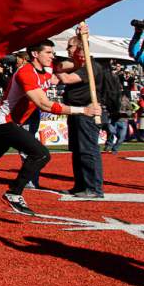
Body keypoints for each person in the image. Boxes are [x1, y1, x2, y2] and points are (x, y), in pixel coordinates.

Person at [0, 40, 99, 217]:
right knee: (41, 154)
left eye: (53, 53)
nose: (53, 56)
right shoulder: (26, 73)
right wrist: (83, 110)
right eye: (49, 52)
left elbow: (79, 63)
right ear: (35, 54)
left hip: (11, 122)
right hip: (4, 122)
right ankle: (14, 192)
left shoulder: (51, 66)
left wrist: (81, 45)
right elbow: (44, 104)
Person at [56, 24, 105, 198]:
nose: (67, 49)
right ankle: (80, 184)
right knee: (77, 150)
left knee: (87, 150)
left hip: (88, 113)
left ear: (80, 48)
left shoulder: (90, 67)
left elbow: (67, 79)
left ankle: (93, 188)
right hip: (77, 112)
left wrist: (56, 67)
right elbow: (65, 68)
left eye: (70, 46)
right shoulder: (77, 65)